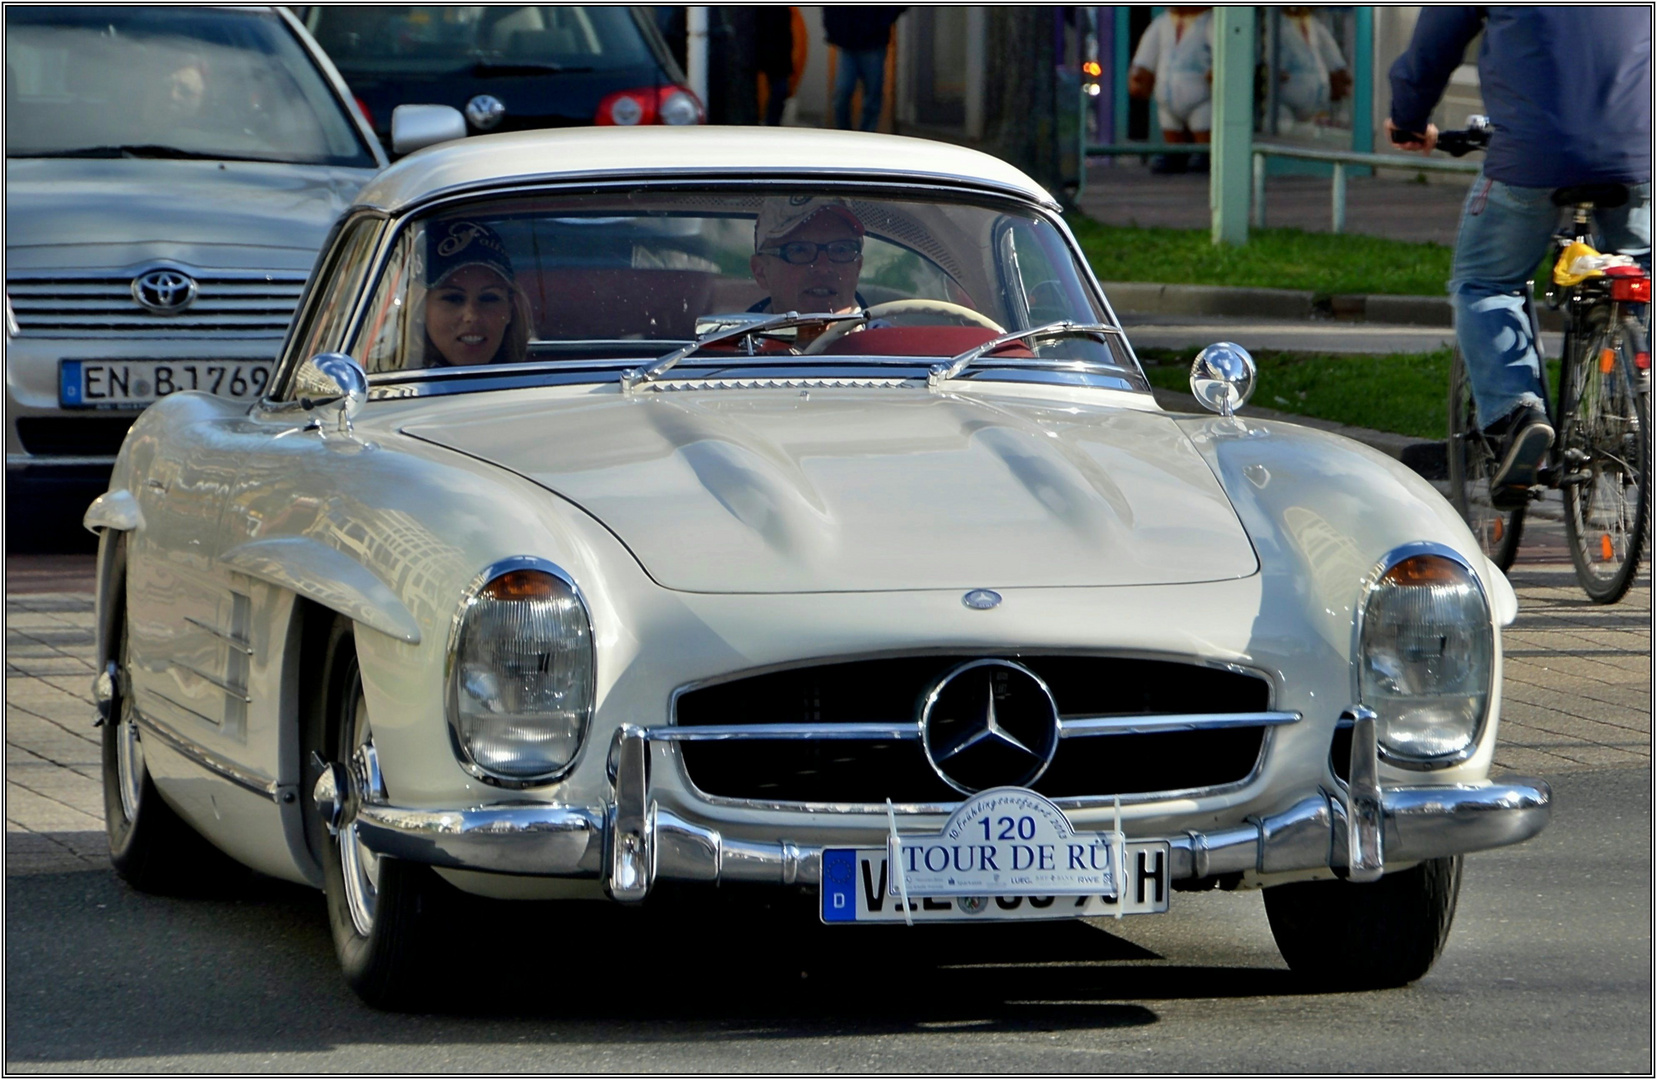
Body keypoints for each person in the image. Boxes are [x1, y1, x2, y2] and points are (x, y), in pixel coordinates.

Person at [1388, 7, 1651, 509]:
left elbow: (1432, 46)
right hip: (1640, 155)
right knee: (1640, 275)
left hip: (1532, 157)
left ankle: (1517, 416)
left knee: (1485, 282)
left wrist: (1407, 118)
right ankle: (1633, 412)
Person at [748, 196, 869, 347]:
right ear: (761, 271)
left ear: (858, 267)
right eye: (799, 250)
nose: (824, 268)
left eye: (841, 249)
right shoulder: (726, 356)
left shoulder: (891, 349)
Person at [419, 220, 532, 367]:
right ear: (420, 310)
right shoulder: (392, 382)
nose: (471, 316)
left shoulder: (535, 382)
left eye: (488, 298)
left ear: (510, 309)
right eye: (453, 298)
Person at [1127, 7, 1213, 174]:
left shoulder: (1209, 23)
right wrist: (1139, 73)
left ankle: (1205, 154)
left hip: (1200, 95)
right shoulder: (1162, 24)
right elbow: (1146, 55)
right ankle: (1176, 154)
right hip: (1166, 97)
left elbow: (1222, 50)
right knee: (1171, 127)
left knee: (1202, 124)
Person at [823, 7, 904, 132]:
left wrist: (882, 21)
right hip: (850, 41)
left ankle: (865, 136)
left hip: (872, 41)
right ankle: (847, 135)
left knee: (871, 97)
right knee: (843, 94)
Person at [1275, 8, 1351, 130]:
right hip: (1287, 102)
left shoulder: (1314, 24)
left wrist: (1340, 72)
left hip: (1318, 103)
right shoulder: (1278, 24)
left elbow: (1331, 52)